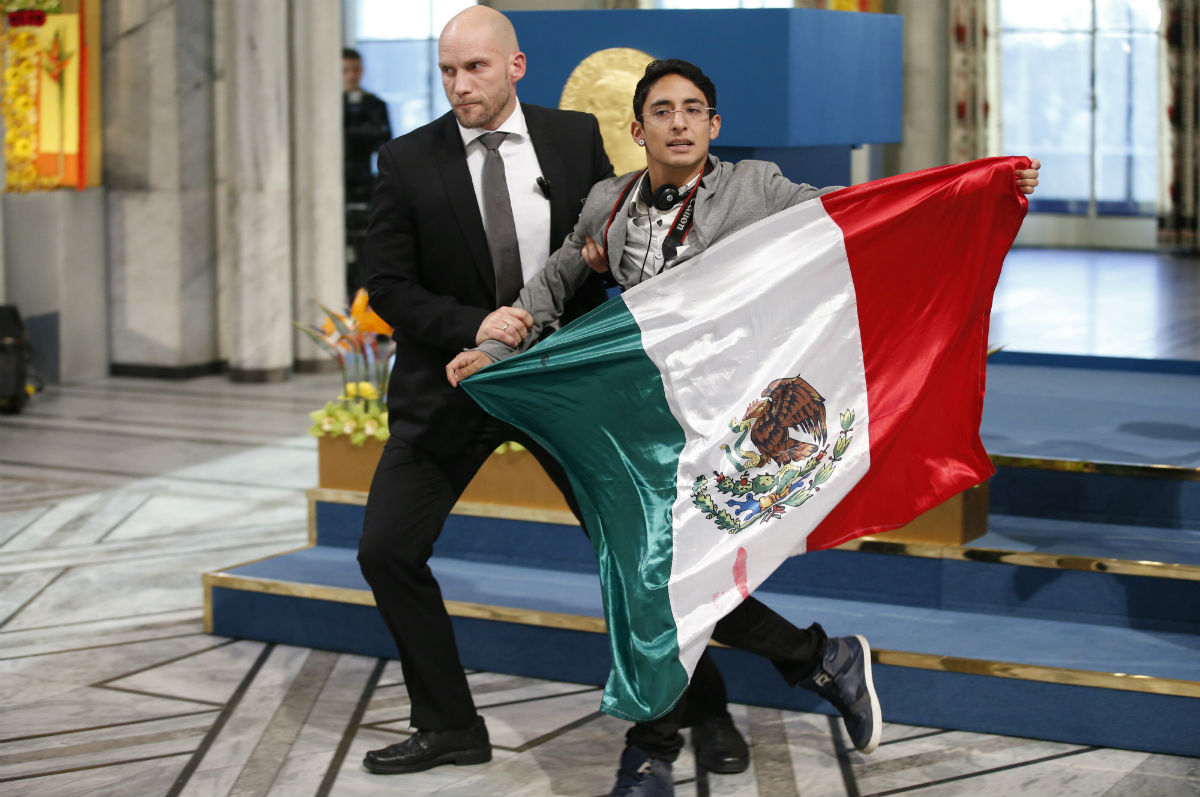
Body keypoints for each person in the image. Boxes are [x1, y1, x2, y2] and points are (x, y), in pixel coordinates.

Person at [447, 58, 1041, 797]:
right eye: (662, 111)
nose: (679, 122)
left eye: (693, 109)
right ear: (637, 130)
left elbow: (857, 216)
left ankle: (657, 749)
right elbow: (554, 283)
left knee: (658, 577)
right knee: (659, 577)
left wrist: (977, 188)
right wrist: (496, 346)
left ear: (714, 125)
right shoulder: (608, 201)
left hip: (729, 423)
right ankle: (812, 661)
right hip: (648, 428)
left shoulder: (755, 187)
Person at [357, 15, 749, 780]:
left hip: (566, 384)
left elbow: (612, 243)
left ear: (516, 66)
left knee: (645, 552)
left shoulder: (572, 139)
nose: (459, 85)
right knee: (386, 550)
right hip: (457, 384)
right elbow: (389, 285)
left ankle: (707, 711)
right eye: (447, 71)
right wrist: (475, 325)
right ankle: (448, 723)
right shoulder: (406, 159)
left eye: (475, 68)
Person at [343, 48, 393, 296]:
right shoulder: (328, 107)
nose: (351, 75)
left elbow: (383, 139)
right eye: (345, 70)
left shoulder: (374, 104)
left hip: (363, 185)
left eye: (355, 69)